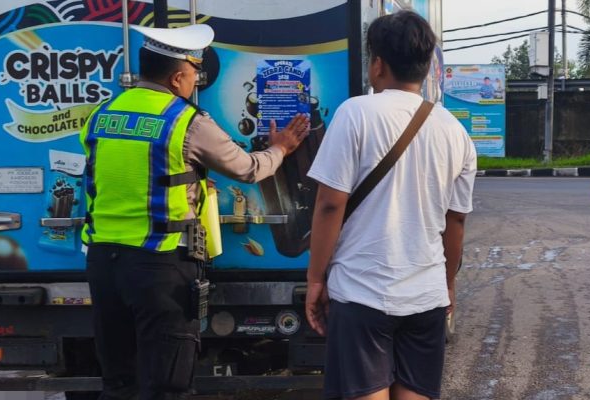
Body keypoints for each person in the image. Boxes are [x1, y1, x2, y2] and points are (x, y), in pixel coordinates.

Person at [80, 24, 308, 399]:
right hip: (159, 267)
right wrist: (281, 148)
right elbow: (248, 169)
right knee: (168, 385)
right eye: (193, 75)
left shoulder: (101, 115)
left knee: (118, 382)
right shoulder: (186, 121)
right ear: (178, 76)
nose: (193, 84)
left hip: (103, 264)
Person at [304, 10, 476, 400]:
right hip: (426, 297)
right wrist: (447, 285)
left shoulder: (355, 113)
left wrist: (316, 279)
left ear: (377, 64)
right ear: (427, 65)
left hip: (362, 292)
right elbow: (457, 221)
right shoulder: (455, 131)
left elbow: (330, 205)